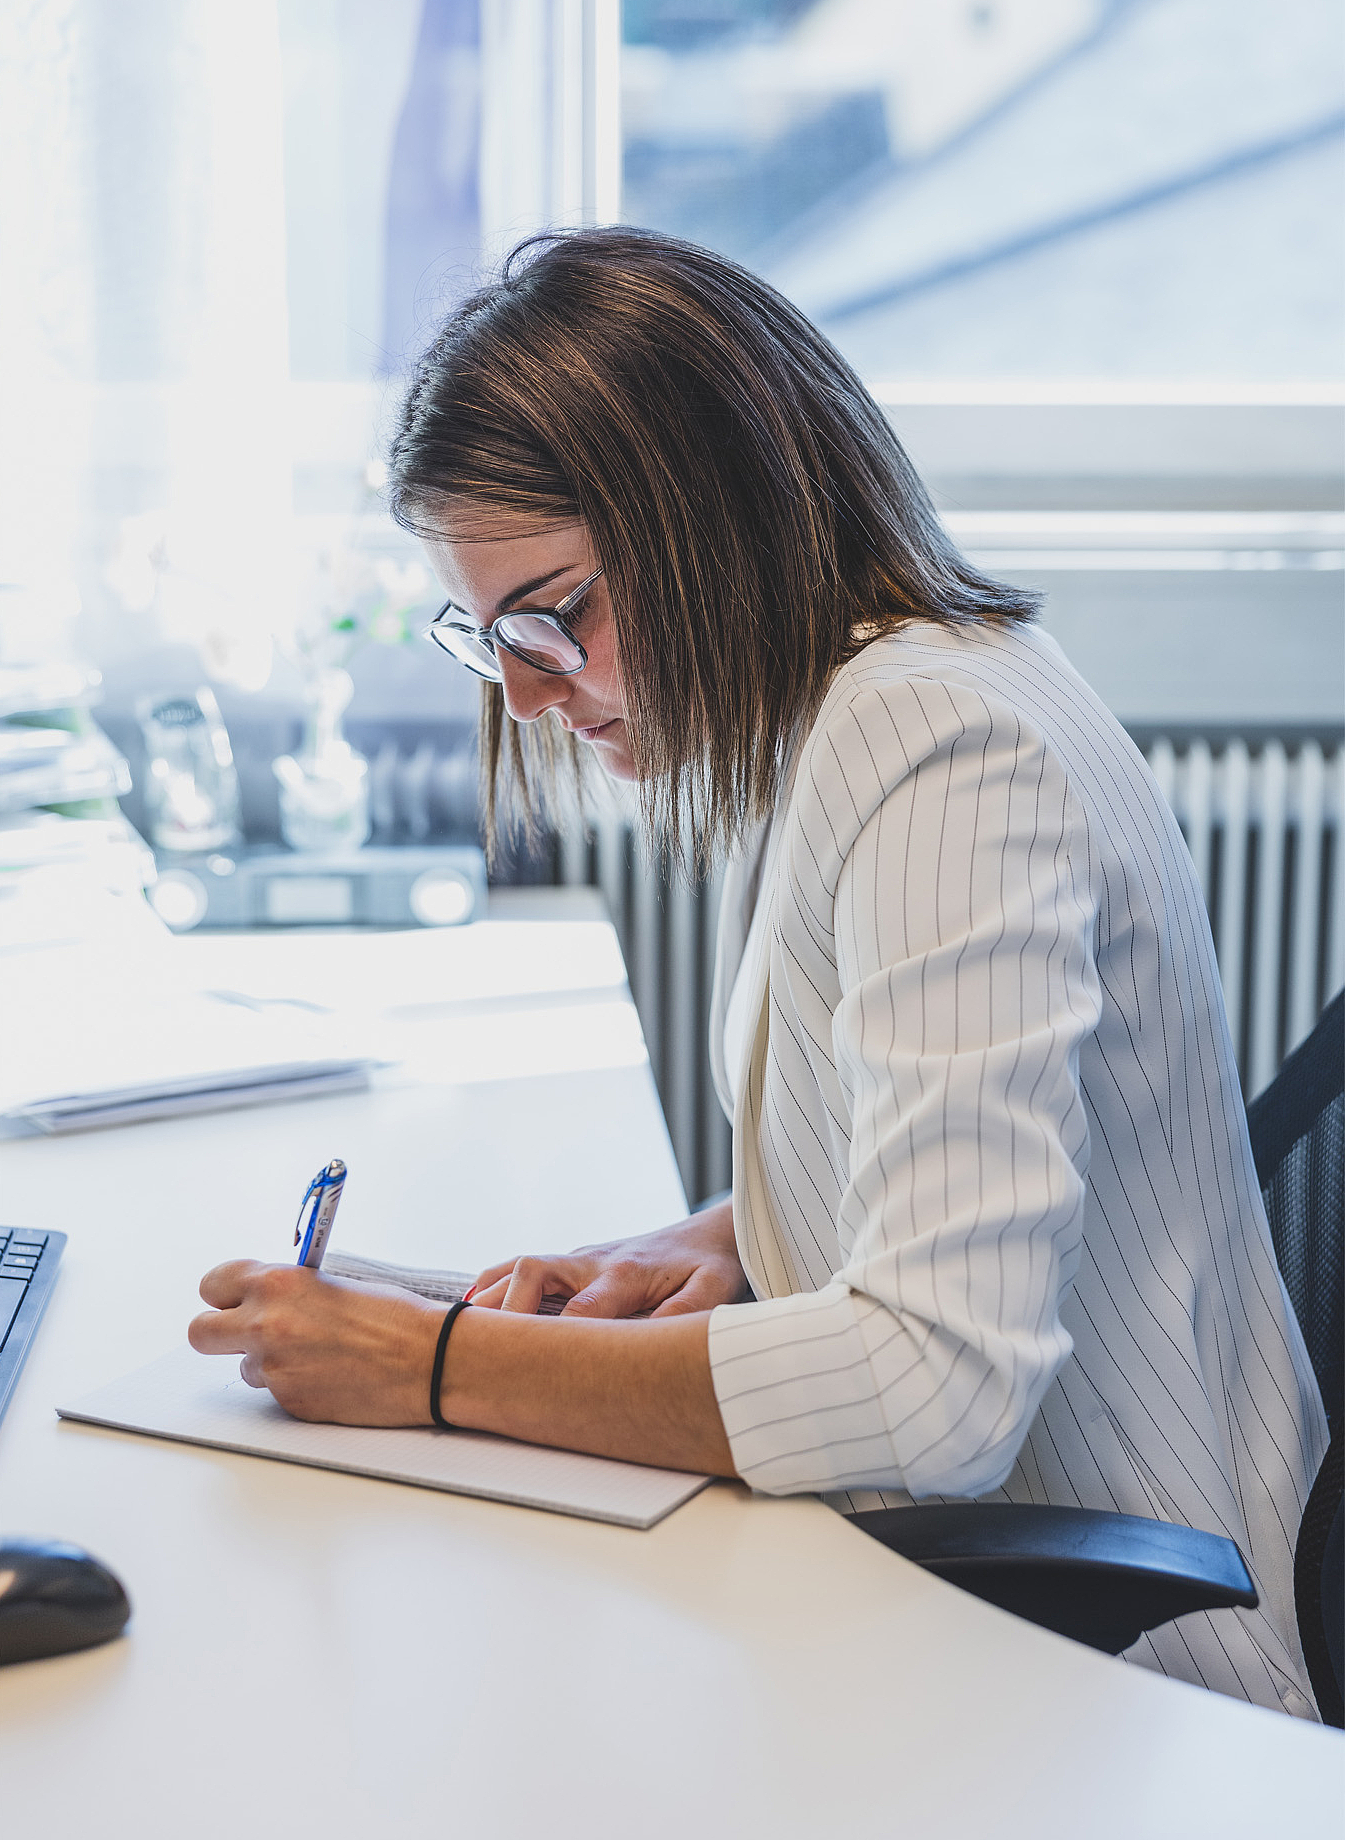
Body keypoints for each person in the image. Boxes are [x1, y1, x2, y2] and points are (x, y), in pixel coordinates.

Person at [190, 227, 1327, 1719]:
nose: (527, 691)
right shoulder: (875, 698)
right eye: (487, 637)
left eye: (553, 613)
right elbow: (960, 1142)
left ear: (714, 517)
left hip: (1120, 1687)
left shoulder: (937, 750)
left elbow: (934, 1385)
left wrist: (434, 1364)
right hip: (960, 1612)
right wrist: (717, 1239)